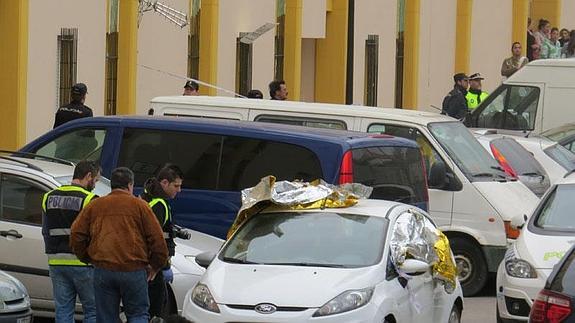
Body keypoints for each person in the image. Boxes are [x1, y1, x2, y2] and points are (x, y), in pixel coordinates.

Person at [70, 167, 168, 323]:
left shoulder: (96, 205)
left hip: (104, 270)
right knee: (138, 315)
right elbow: (158, 240)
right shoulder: (141, 206)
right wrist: (154, 266)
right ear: (130, 185)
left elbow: (76, 234)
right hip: (134, 269)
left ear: (112, 185)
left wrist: (88, 258)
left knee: (106, 317)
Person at [42, 160, 101, 323]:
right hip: (83, 263)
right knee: (93, 311)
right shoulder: (89, 199)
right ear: (88, 176)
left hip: (56, 262)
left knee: (63, 310)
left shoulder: (48, 197)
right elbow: (97, 234)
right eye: (95, 180)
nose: (94, 185)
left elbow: (45, 231)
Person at [140, 165, 188, 319]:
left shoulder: (146, 197)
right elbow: (155, 238)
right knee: (156, 310)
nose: (179, 190)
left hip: (145, 265)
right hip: (153, 268)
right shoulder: (159, 204)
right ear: (165, 183)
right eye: (176, 186)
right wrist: (158, 265)